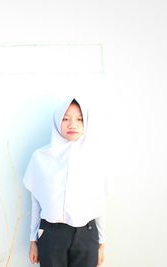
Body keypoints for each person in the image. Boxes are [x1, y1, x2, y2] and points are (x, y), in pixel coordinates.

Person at [23, 97, 109, 267]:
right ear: (57, 121)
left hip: (86, 235)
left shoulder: (95, 158)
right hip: (51, 235)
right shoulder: (40, 158)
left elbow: (100, 203)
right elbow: (36, 202)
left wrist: (102, 243)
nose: (72, 124)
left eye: (79, 119)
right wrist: (33, 240)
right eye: (65, 118)